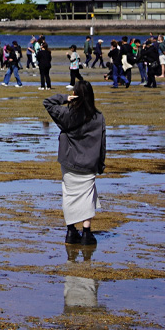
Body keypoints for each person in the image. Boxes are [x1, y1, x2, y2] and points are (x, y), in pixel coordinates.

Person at [44, 78, 106, 247]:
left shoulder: (67, 114)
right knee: (88, 196)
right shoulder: (98, 117)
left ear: (75, 94)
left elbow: (48, 102)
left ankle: (71, 231)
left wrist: (65, 98)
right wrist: (101, 164)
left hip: (69, 161)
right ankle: (86, 232)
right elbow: (102, 142)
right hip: (89, 162)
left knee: (69, 195)